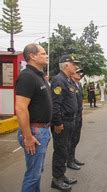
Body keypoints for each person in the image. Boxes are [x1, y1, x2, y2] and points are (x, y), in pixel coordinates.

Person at [15, 43, 52, 192]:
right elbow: (21, 107)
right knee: (33, 175)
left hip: (42, 131)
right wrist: (27, 137)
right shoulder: (27, 77)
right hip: (34, 133)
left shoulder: (39, 76)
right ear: (33, 56)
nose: (46, 55)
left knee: (37, 172)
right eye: (43, 53)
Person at [50, 55, 79, 191]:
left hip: (70, 120)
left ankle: (61, 176)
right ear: (66, 65)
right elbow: (55, 105)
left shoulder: (67, 80)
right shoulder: (58, 80)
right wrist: (57, 123)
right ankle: (56, 179)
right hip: (63, 122)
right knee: (60, 150)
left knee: (65, 149)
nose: (76, 67)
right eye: (73, 64)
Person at [68, 67, 85, 168]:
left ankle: (72, 157)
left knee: (76, 138)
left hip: (79, 115)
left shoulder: (79, 85)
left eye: (80, 73)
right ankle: (69, 161)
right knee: (71, 139)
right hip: (73, 116)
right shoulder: (70, 85)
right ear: (72, 74)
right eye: (77, 73)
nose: (80, 74)